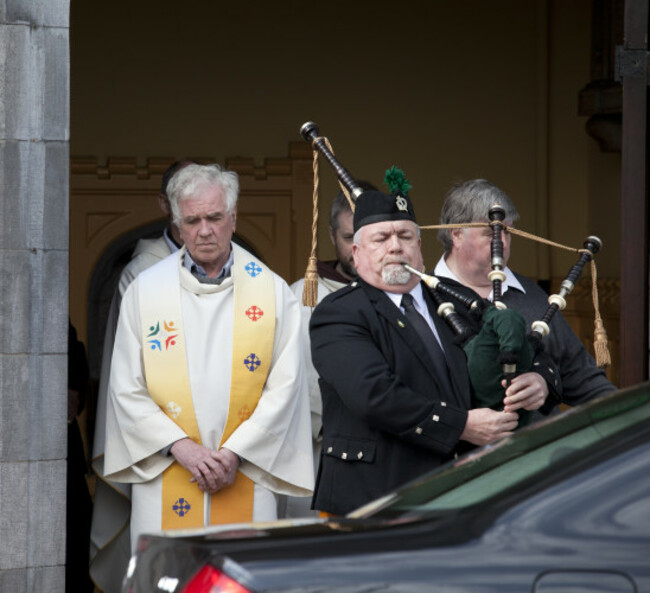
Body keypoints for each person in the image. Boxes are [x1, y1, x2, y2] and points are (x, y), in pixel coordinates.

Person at [103, 163, 313, 548]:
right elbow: (125, 387)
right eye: (193, 219)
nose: (204, 230)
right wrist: (183, 449)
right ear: (177, 224)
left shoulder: (272, 292)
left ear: (233, 218)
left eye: (214, 217)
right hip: (168, 470)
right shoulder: (145, 291)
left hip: (246, 471)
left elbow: (288, 385)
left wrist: (233, 454)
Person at [309, 189, 522, 516]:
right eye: (381, 238)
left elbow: (504, 355)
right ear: (356, 252)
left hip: (457, 495)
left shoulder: (455, 299)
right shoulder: (339, 313)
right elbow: (374, 394)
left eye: (405, 236)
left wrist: (537, 378)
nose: (395, 246)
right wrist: (461, 425)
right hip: (373, 499)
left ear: (419, 247)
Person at [89, 160, 193, 593]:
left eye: (212, 213)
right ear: (164, 206)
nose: (201, 225)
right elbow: (124, 370)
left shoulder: (246, 275)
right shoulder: (142, 272)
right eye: (187, 209)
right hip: (161, 443)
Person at [433, 179, 616, 410]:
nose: (502, 242)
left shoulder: (531, 294)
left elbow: (581, 377)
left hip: (539, 442)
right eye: (490, 232)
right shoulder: (423, 298)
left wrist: (544, 381)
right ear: (456, 234)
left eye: (507, 232)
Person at [284, 183, 376, 518]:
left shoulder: (413, 295)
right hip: (318, 454)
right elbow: (287, 381)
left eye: (370, 237)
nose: (358, 249)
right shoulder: (301, 297)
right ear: (330, 235)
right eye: (348, 237)